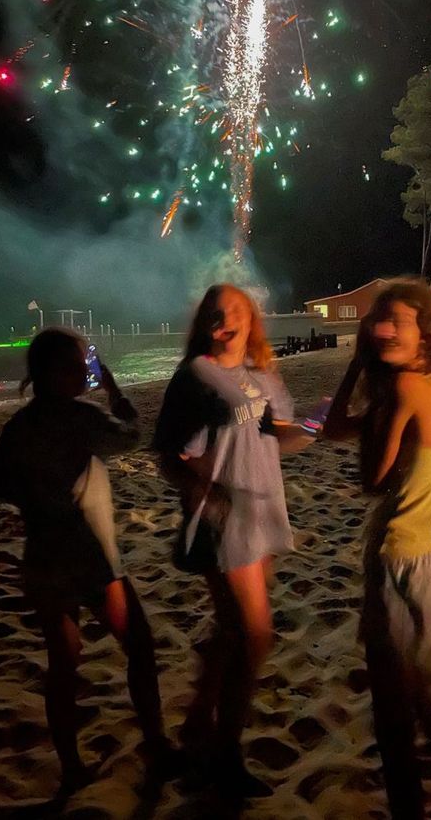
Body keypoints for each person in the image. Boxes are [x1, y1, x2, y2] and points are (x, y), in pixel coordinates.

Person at [0, 328, 176, 794]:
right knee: (140, 646)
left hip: (44, 557)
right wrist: (115, 392)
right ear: (52, 373)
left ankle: (71, 766)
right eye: (75, 365)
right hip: (90, 555)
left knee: (63, 663)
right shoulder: (79, 415)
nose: (83, 371)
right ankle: (156, 745)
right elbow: (129, 436)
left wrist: (34, 498)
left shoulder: (22, 424)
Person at [153, 284, 314, 802]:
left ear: (251, 320)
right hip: (226, 521)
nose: (225, 321)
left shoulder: (262, 373)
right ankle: (225, 752)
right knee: (256, 635)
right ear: (205, 323)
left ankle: (197, 727)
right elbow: (167, 454)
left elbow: (274, 435)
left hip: (264, 512)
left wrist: (318, 426)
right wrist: (201, 487)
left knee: (231, 632)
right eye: (216, 314)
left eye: (236, 313)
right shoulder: (196, 376)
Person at [323, 278, 431, 820]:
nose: (381, 329)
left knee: (393, 712)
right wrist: (355, 369)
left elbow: (370, 477)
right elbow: (334, 426)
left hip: (400, 563)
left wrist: (362, 368)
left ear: (424, 333)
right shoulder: (430, 384)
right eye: (376, 321)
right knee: (414, 690)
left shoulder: (407, 391)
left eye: (396, 323)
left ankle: (422, 805)